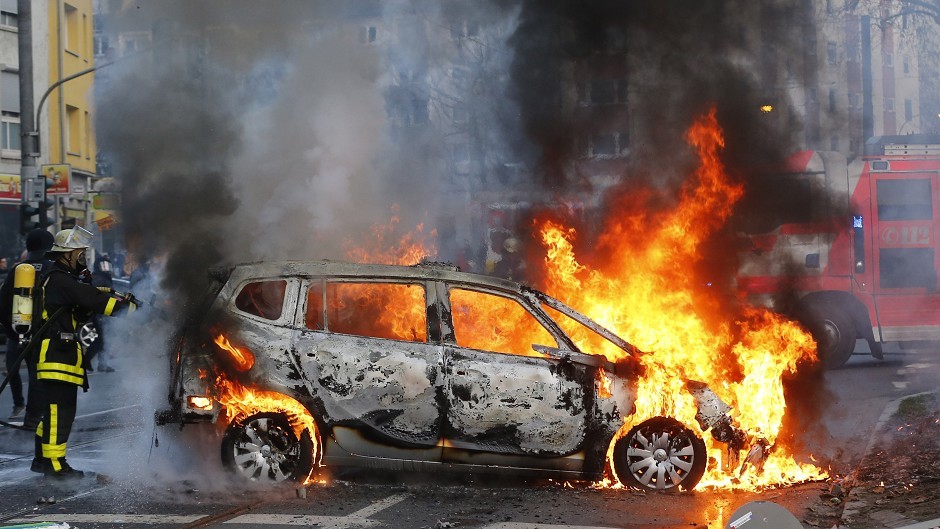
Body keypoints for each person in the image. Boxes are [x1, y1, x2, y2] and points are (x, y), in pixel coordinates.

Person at [30, 227, 138, 479]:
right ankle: (55, 466)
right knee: (60, 412)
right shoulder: (60, 279)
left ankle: (41, 459)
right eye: (80, 254)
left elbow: (81, 306)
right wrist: (132, 309)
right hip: (57, 355)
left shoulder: (58, 279)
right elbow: (97, 302)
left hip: (58, 353)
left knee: (53, 412)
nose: (83, 258)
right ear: (68, 255)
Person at [0, 229, 55, 425]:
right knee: (39, 376)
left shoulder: (18, 269)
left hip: (18, 333)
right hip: (45, 334)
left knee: (13, 369)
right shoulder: (54, 269)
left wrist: (13, 331)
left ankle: (21, 406)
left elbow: (3, 304)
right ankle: (34, 416)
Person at [86, 254, 115, 372]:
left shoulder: (102, 278)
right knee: (102, 339)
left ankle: (100, 363)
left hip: (103, 312)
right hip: (100, 313)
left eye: (107, 265)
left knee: (102, 339)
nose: (106, 268)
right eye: (103, 265)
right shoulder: (98, 278)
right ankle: (89, 361)